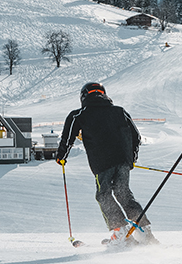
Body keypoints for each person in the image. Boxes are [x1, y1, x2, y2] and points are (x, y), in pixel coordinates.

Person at [56, 82, 151, 244]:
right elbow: (136, 136)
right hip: (123, 161)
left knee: (103, 194)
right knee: (124, 194)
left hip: (102, 162)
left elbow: (68, 136)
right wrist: (131, 159)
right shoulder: (120, 111)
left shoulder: (79, 114)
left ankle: (121, 233)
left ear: (83, 97)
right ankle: (146, 234)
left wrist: (62, 156)